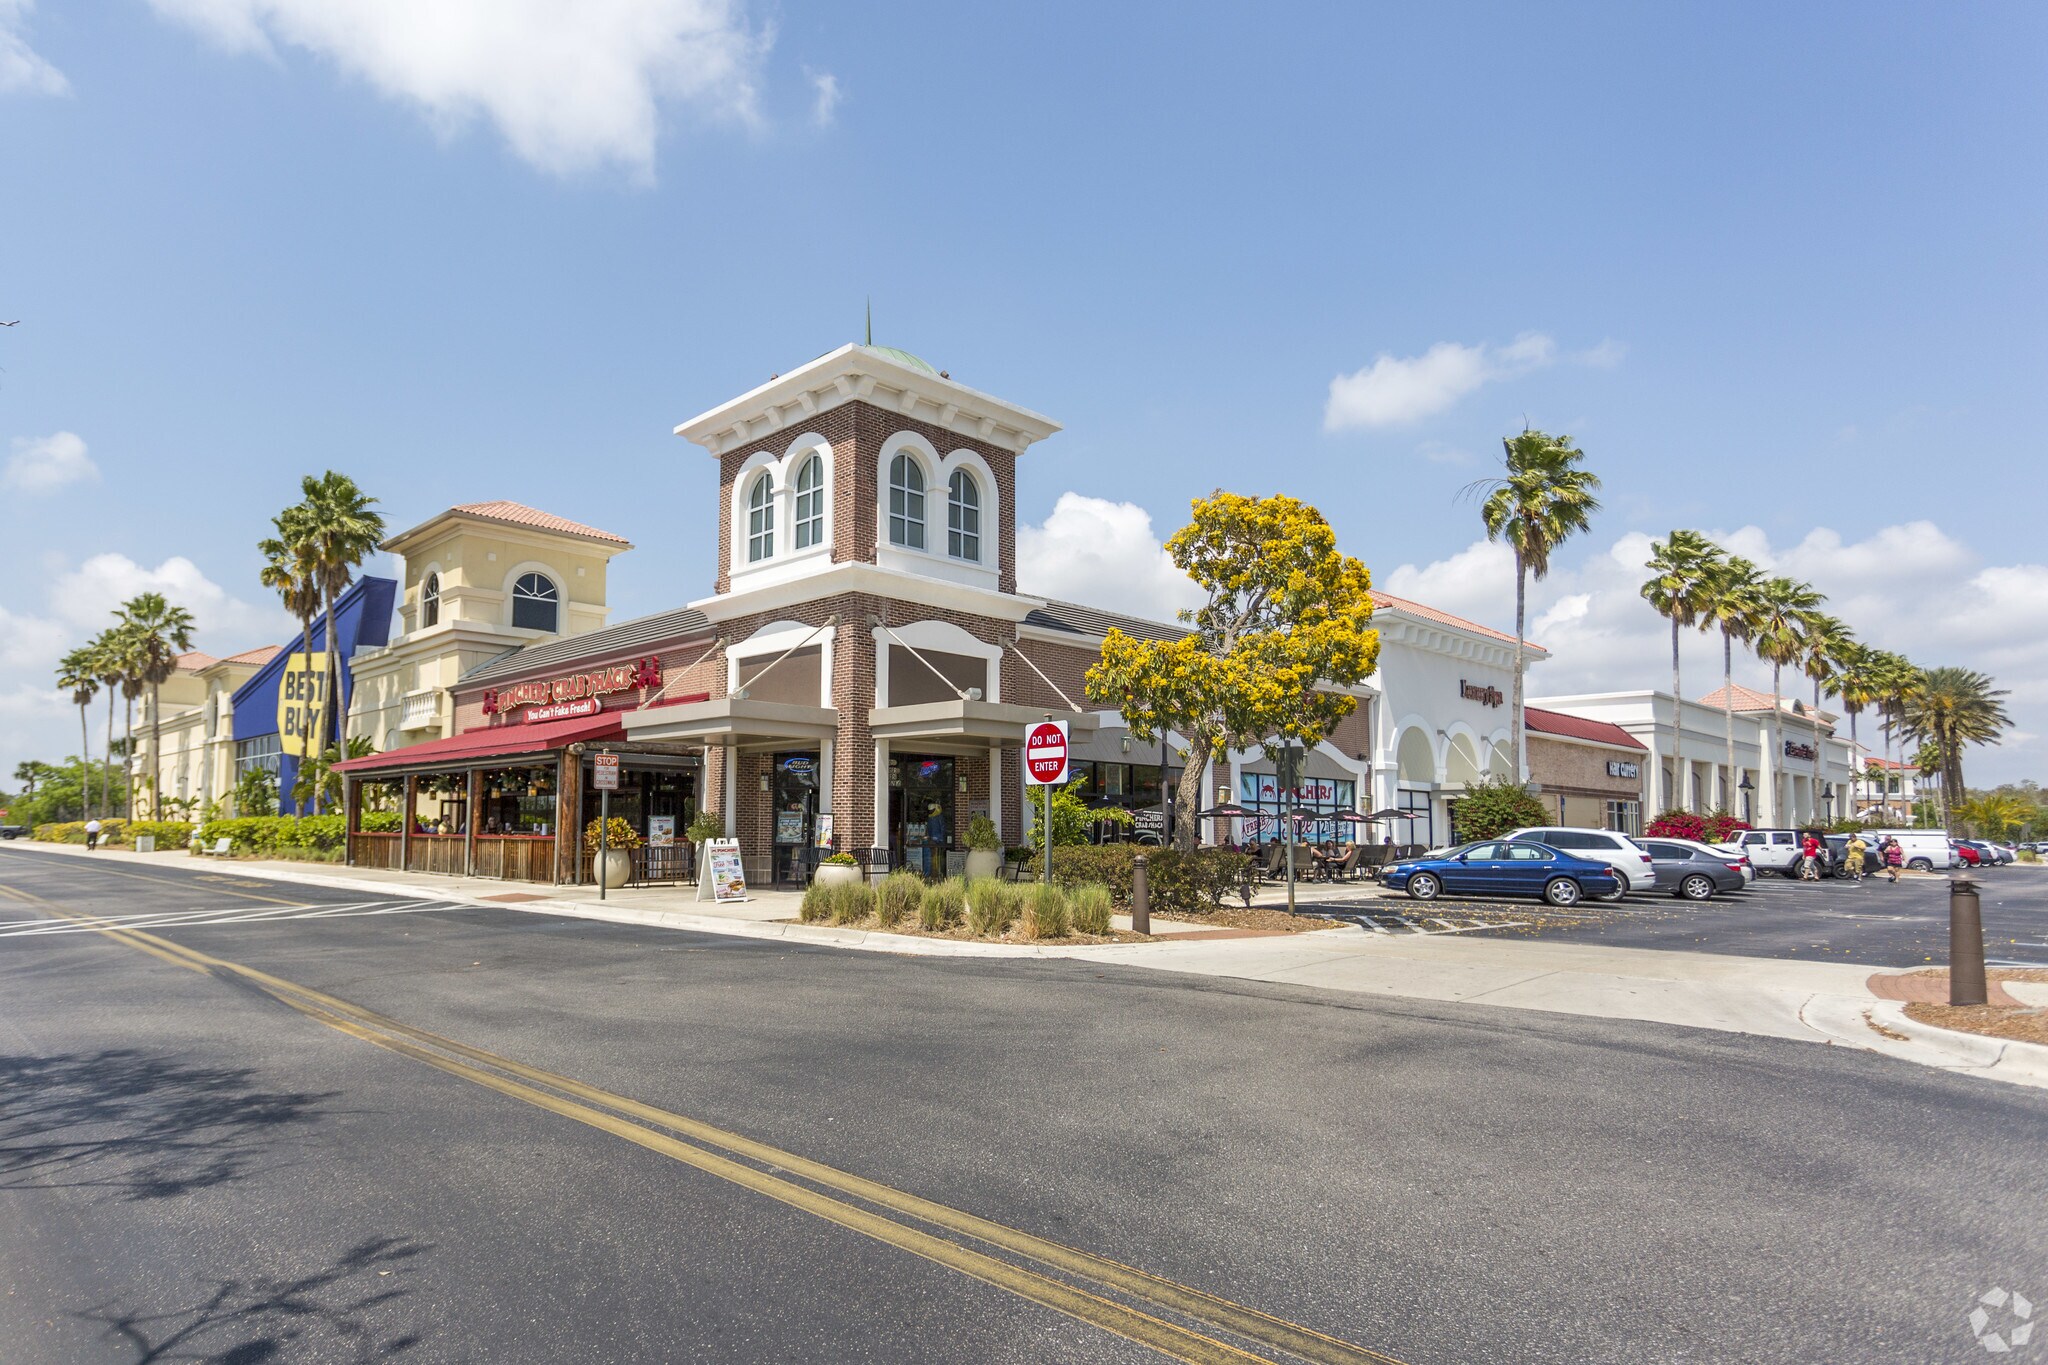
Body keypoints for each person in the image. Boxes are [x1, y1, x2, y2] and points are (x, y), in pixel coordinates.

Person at [924, 804, 946, 878]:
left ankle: (938, 873)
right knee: (931, 858)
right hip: (931, 841)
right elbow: (928, 829)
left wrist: (940, 840)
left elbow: (943, 829)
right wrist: (928, 837)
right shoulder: (930, 818)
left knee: (938, 859)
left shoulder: (939, 817)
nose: (930, 812)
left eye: (932, 810)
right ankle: (931, 873)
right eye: (929, 810)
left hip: (937, 841)